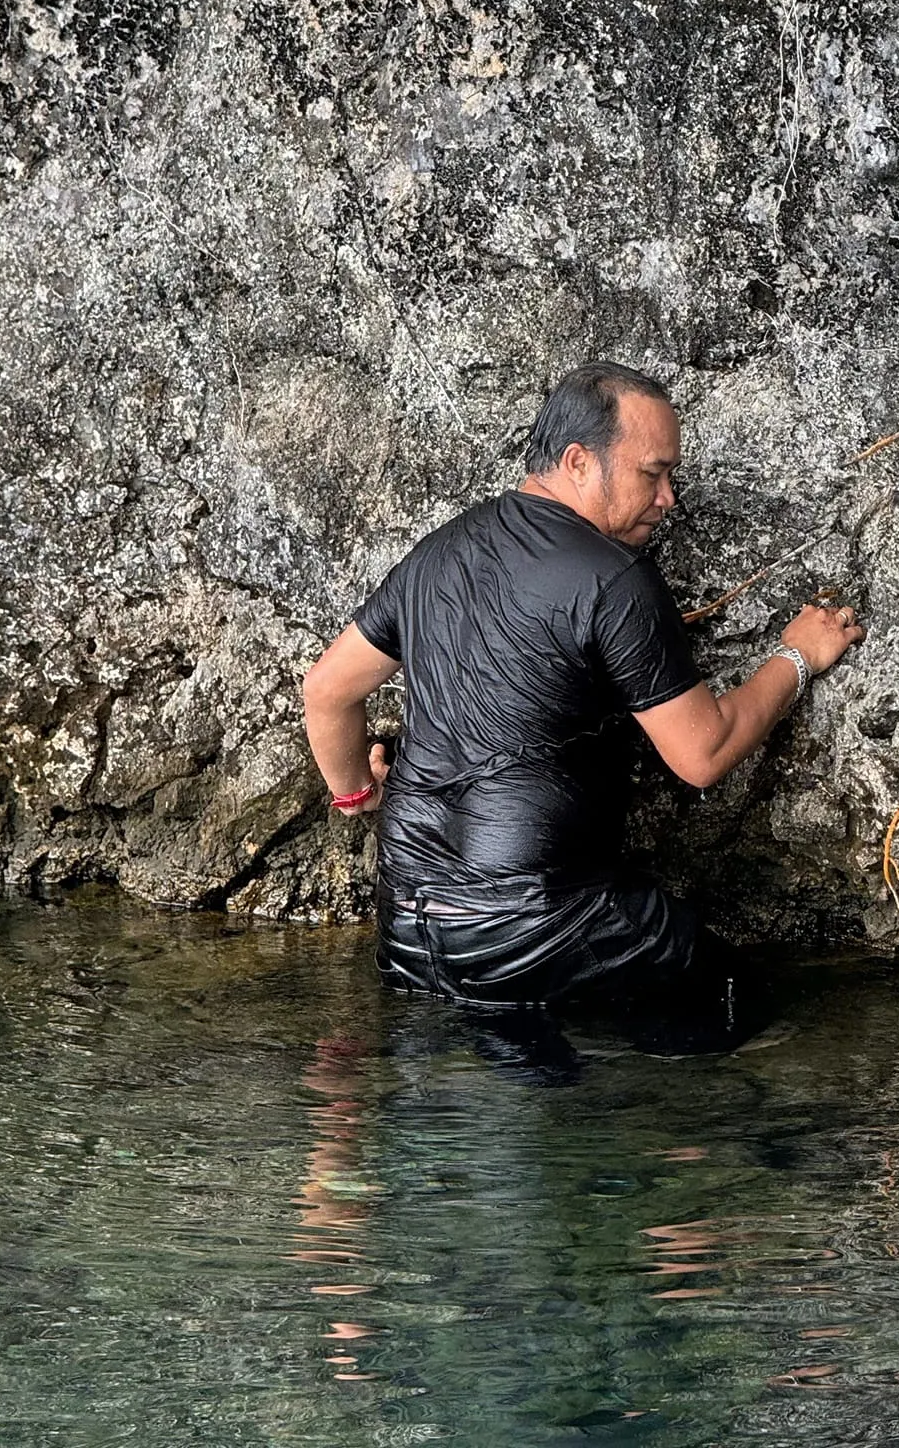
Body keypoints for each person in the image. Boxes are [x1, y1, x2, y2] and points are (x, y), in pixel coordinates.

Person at [302, 361, 864, 1021]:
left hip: (411, 928)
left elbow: (327, 693)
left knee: (511, 1067)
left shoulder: (438, 552)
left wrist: (356, 794)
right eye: (651, 474)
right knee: (738, 1012)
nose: (669, 500)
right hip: (543, 928)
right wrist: (798, 655)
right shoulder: (616, 579)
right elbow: (702, 754)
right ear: (576, 462)